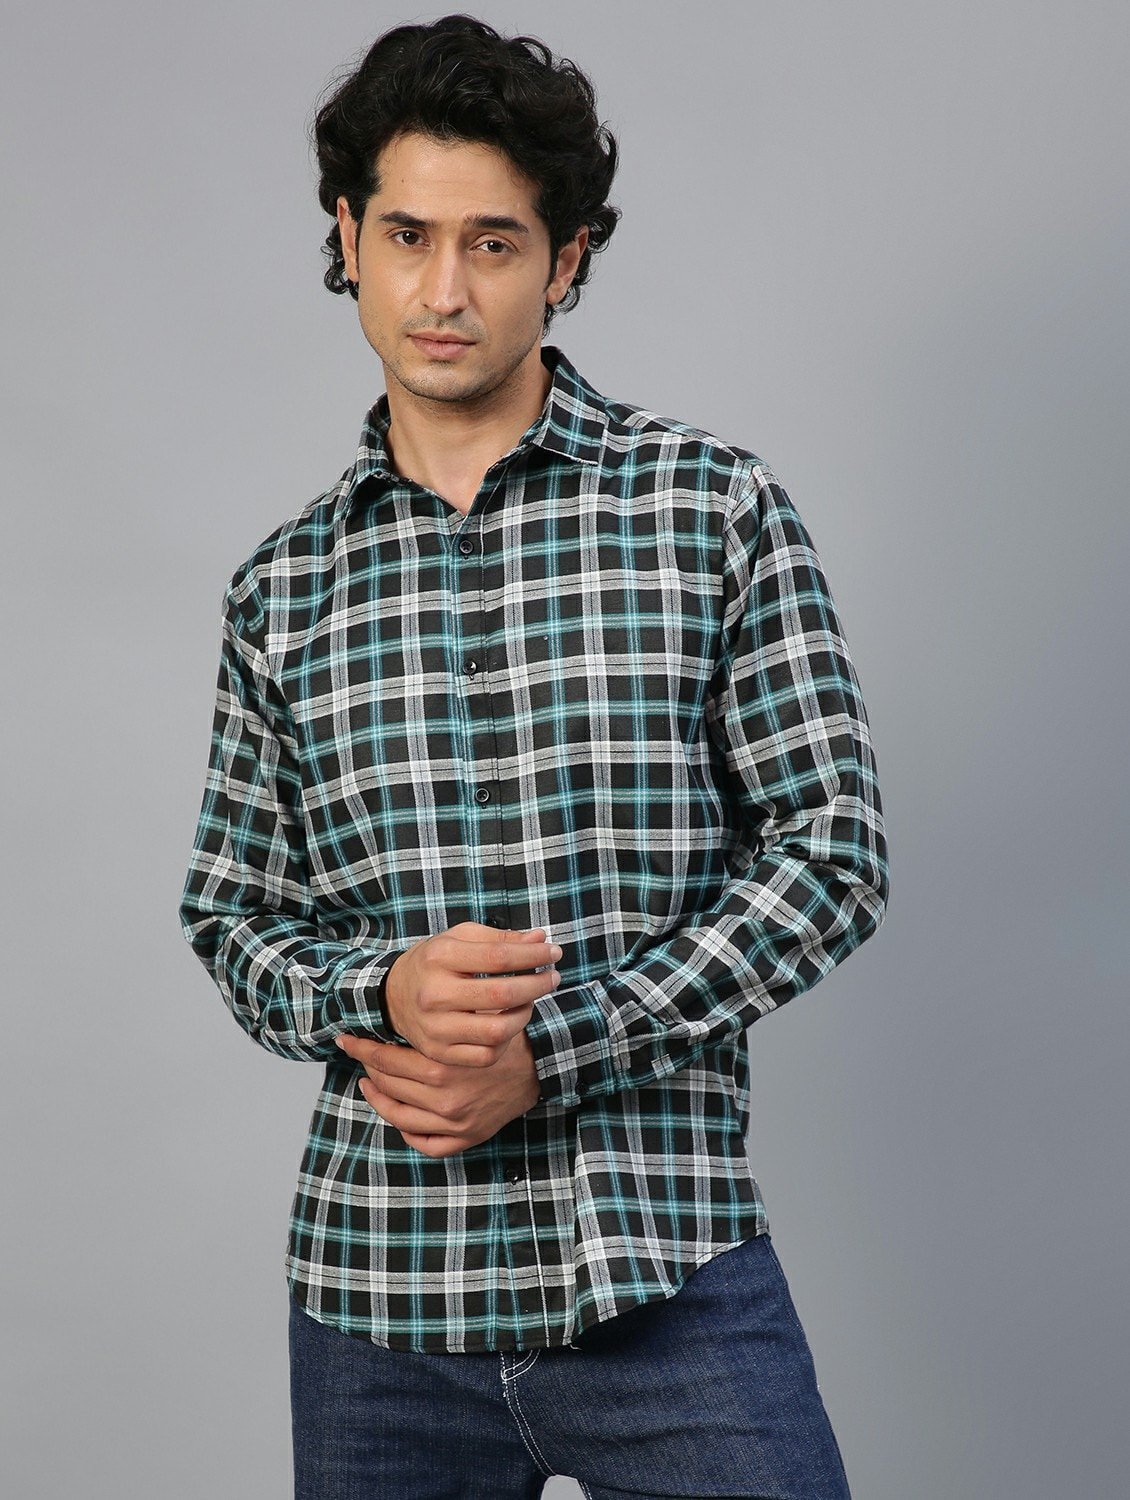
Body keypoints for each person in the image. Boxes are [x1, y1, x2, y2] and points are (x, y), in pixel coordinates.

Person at [179, 14, 889, 1498]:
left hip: (662, 1266)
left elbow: (831, 858)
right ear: (349, 239)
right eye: (408, 237)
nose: (443, 291)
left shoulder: (711, 510)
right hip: (376, 1302)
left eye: (493, 244)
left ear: (564, 261)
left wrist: (550, 1052)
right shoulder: (280, 591)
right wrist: (381, 991)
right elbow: (233, 920)